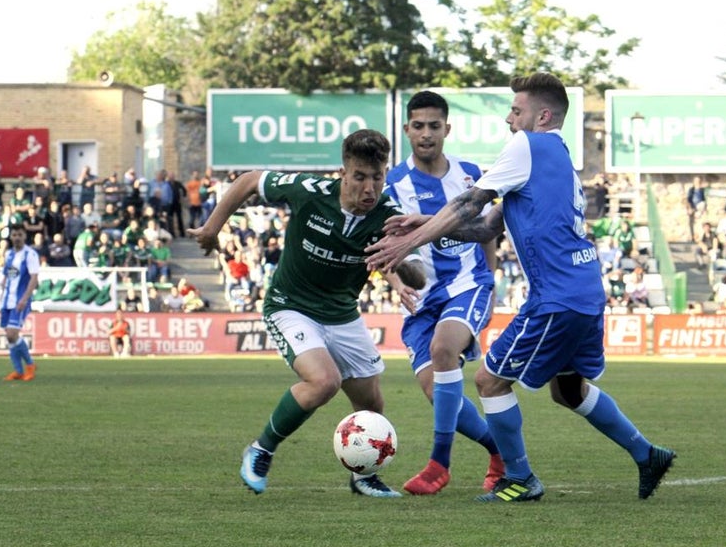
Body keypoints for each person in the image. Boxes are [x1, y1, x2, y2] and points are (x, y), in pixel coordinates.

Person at [367, 72, 676, 503]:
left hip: (556, 297)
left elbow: (468, 203)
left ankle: (520, 477)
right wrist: (422, 224)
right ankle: (648, 454)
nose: (509, 120)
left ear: (542, 115)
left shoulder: (527, 144)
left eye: (516, 111)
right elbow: (486, 226)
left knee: (489, 381)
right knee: (568, 390)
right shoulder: (556, 155)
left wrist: (408, 241)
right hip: (585, 290)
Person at [189, 128, 426, 499]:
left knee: (372, 403)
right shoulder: (309, 191)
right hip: (291, 305)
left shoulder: (389, 216)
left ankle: (364, 478)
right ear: (343, 172)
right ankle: (261, 449)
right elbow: (251, 180)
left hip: (342, 313)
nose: (369, 188)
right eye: (360, 177)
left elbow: (417, 274)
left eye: (377, 178)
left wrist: (403, 249)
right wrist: (212, 228)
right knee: (323, 381)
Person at [383, 90, 505, 496]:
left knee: (443, 349)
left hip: (469, 284)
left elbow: (488, 230)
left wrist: (490, 283)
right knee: (437, 391)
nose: (426, 133)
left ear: (447, 129)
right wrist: (397, 281)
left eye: (434, 126)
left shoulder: (470, 175)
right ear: (406, 130)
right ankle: (499, 450)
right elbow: (382, 245)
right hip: (423, 298)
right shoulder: (393, 185)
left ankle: (439, 465)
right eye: (418, 126)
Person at [0, 222, 40, 381]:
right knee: (9, 337)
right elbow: (7, 274)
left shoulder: (30, 254)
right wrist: (3, 286)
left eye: (20, 235)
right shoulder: (8, 254)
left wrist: (24, 298)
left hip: (20, 299)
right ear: (11, 236)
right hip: (6, 300)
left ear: (25, 236)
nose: (17, 238)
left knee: (12, 333)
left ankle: (30, 365)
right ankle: (18, 370)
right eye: (14, 235)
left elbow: (34, 278)